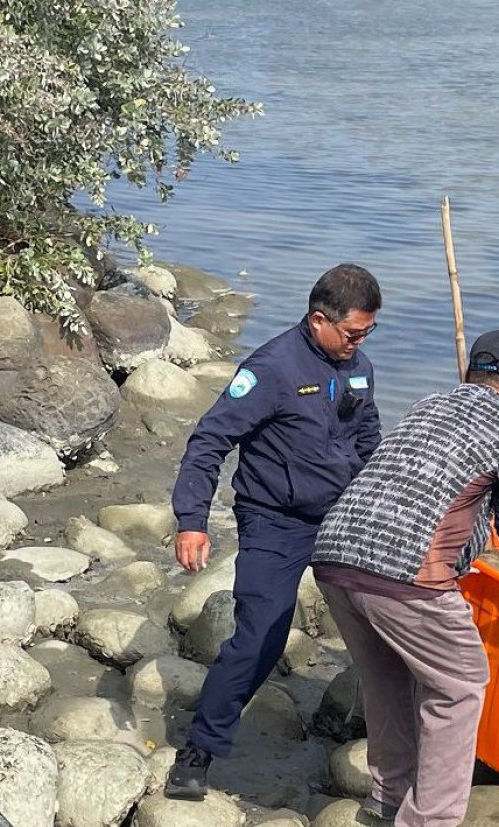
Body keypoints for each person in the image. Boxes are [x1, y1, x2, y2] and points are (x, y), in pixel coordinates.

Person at [312, 329, 499, 827]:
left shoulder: (429, 404)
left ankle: (389, 795)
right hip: (405, 575)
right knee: (460, 686)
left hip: (334, 553)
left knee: (388, 678)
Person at [164, 263, 383, 799]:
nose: (360, 343)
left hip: (340, 515)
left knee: (389, 614)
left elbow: (369, 439)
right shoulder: (272, 369)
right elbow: (209, 441)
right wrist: (191, 520)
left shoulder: (358, 366)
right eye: (353, 333)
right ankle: (199, 750)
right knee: (259, 637)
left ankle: (381, 739)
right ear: (318, 321)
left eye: (368, 334)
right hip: (274, 520)